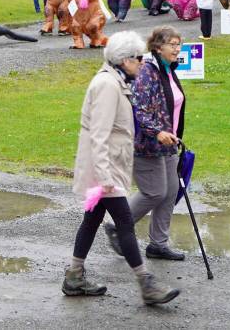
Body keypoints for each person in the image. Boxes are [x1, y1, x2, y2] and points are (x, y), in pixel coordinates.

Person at [64, 31, 180, 306]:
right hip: (104, 171)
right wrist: (105, 177)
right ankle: (147, 284)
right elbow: (99, 135)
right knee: (125, 224)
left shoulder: (117, 81)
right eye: (138, 58)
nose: (142, 62)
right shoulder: (107, 85)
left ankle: (74, 276)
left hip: (107, 167)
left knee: (91, 221)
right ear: (124, 60)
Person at [105, 27, 188, 262]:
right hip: (147, 144)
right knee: (155, 192)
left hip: (169, 143)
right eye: (172, 44)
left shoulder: (169, 70)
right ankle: (117, 226)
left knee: (170, 192)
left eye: (179, 43)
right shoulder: (147, 72)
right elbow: (139, 110)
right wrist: (157, 131)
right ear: (158, 47)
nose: (177, 48)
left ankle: (158, 244)